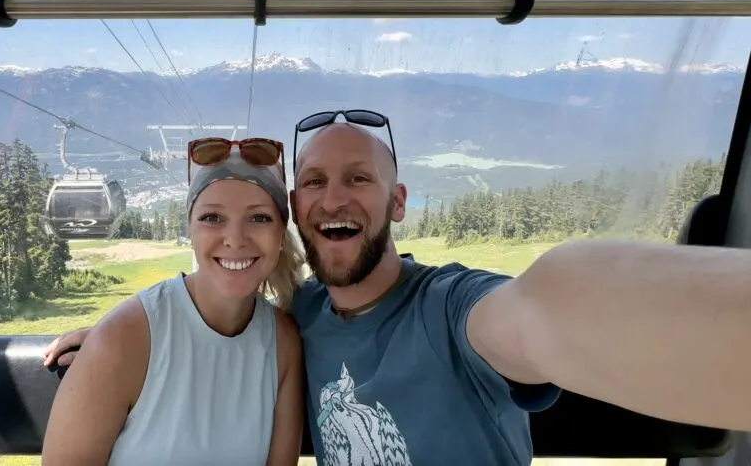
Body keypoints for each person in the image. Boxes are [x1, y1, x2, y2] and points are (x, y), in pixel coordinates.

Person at [44, 110, 751, 465]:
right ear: (298, 210)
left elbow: (549, 307)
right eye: (314, 182)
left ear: (399, 201)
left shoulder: (452, 309)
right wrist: (120, 338)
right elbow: (219, 294)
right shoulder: (301, 317)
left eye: (360, 178)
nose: (334, 198)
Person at [41, 136, 305, 466]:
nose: (235, 239)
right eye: (212, 217)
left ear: (281, 235)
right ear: (189, 230)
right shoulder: (125, 339)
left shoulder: (283, 346)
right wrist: (115, 338)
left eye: (259, 218)